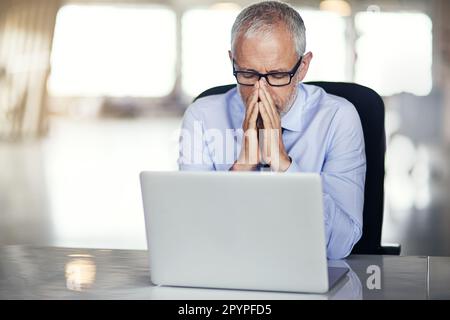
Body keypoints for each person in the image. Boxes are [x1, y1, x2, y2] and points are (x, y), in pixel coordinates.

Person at [178, 1, 366, 260]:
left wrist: (283, 163)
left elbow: (340, 245)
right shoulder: (201, 117)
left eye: (277, 75)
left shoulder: (338, 118)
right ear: (232, 61)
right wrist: (243, 166)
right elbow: (192, 233)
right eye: (248, 73)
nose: (261, 91)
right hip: (227, 271)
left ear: (302, 67)